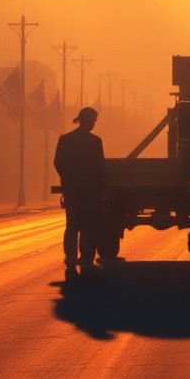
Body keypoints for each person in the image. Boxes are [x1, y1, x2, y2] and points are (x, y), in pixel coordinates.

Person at [54, 106, 107, 281]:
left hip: (71, 191)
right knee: (88, 227)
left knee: (71, 227)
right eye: (93, 120)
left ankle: (70, 261)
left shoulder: (65, 139)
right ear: (87, 120)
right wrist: (102, 189)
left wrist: (67, 181)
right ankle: (85, 261)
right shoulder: (95, 142)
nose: (94, 123)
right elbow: (100, 168)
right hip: (90, 191)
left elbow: (58, 163)